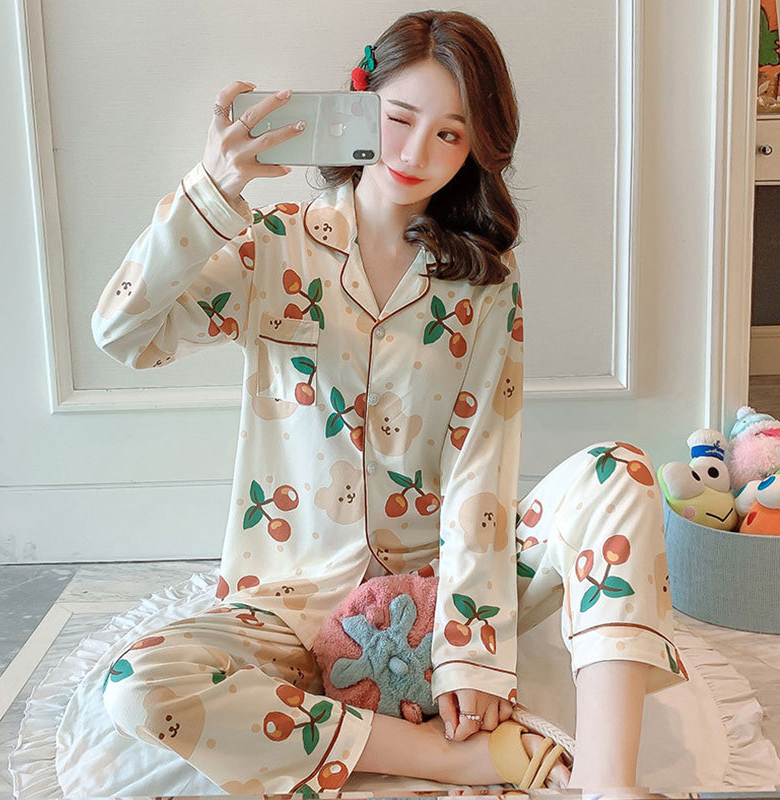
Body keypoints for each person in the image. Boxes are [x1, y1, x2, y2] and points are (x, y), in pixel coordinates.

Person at [93, 9, 689, 796]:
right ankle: (450, 757)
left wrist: (470, 645)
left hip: (444, 577)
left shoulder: (483, 280)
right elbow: (124, 332)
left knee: (621, 470)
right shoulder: (272, 246)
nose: (414, 153)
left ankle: (609, 781)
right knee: (139, 683)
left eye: (450, 134)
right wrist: (211, 190)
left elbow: (483, 457)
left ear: (475, 147)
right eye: (400, 118)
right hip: (297, 599)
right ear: (358, 102)